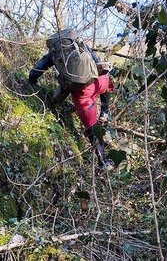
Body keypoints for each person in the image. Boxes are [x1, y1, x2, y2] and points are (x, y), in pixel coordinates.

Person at [28, 30, 113, 171]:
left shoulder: (52, 55)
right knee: (109, 81)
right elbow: (99, 63)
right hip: (100, 82)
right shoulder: (81, 45)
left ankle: (104, 163)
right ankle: (105, 112)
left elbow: (34, 73)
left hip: (83, 93)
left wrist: (32, 81)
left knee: (91, 128)